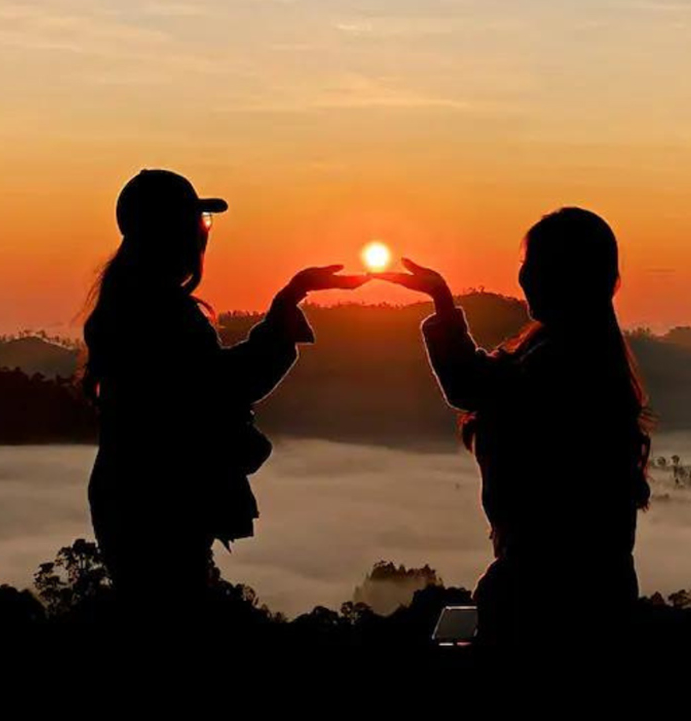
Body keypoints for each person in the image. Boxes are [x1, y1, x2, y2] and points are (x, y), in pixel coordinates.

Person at [80, 169, 366, 635]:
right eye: (200, 223)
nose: (203, 234)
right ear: (172, 232)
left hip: (132, 500)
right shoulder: (163, 314)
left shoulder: (130, 305)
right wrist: (287, 307)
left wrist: (285, 305)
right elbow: (225, 386)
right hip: (160, 508)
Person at [377, 207, 653, 647]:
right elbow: (479, 385)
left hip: (548, 594)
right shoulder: (576, 352)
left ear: (566, 275)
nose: (523, 277)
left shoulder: (562, 362)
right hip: (591, 591)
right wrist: (443, 304)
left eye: (534, 265)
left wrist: (443, 304)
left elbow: (472, 386)